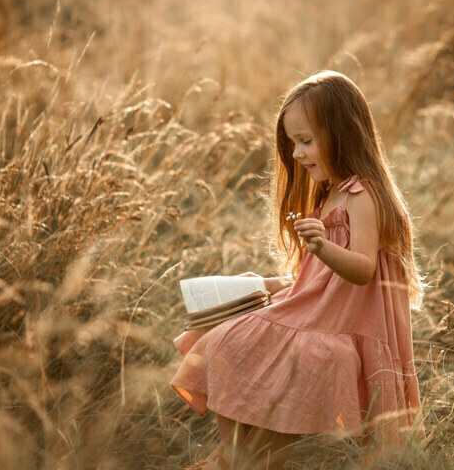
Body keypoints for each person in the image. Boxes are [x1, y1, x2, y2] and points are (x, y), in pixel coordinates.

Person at [171, 71, 423, 469]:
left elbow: (362, 269)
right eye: (292, 144)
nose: (297, 154)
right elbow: (323, 281)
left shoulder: (362, 196)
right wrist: (270, 284)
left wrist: (321, 246)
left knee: (242, 346)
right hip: (320, 313)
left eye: (306, 141)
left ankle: (236, 459)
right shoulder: (330, 194)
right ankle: (231, 455)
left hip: (337, 326)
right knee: (224, 341)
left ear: (343, 134)